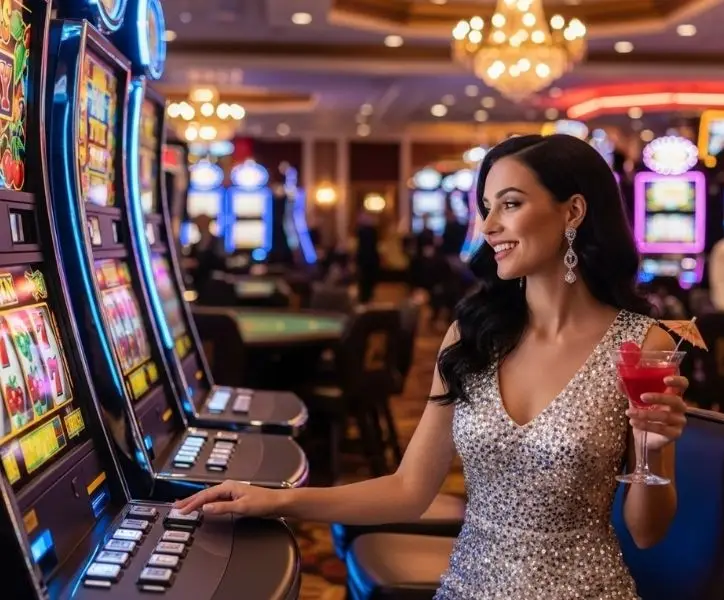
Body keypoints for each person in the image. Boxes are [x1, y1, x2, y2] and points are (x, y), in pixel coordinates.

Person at [175, 134, 689, 599]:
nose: (489, 226)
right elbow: (408, 490)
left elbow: (646, 533)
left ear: (572, 211)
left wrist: (655, 448)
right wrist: (274, 500)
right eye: (486, 207)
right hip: (469, 586)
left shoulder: (642, 343)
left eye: (510, 204)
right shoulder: (473, 335)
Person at [184, 214, 226, 296]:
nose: (198, 227)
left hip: (214, 284)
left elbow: (221, 262)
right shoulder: (195, 245)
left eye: (200, 224)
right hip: (197, 282)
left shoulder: (217, 242)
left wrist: (198, 263)